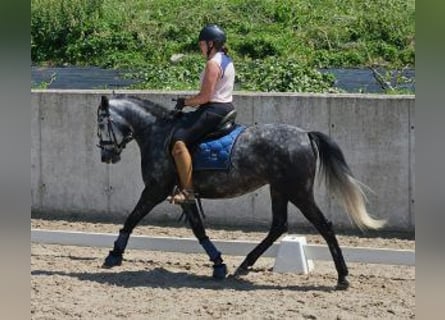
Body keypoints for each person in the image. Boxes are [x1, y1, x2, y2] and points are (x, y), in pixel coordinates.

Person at [169, 24, 236, 204]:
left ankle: (188, 191)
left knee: (178, 142)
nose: (200, 47)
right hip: (225, 107)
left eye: (202, 44)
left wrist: (185, 102)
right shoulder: (226, 59)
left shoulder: (213, 63)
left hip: (214, 110)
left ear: (211, 44)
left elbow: (205, 97)